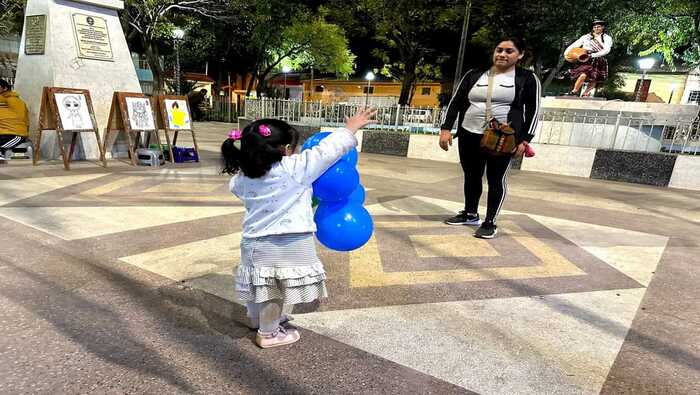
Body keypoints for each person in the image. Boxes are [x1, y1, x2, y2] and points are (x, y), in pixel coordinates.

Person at [221, 109, 375, 348]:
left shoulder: (243, 177)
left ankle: (257, 320)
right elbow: (326, 151)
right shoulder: (295, 169)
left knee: (259, 284)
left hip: (253, 243)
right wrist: (350, 128)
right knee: (275, 290)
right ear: (284, 150)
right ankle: (269, 334)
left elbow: (236, 186)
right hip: (287, 242)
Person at [438, 37, 541, 239]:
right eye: (499, 50)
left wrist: (525, 139)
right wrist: (446, 128)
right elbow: (456, 101)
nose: (502, 54)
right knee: (471, 175)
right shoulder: (475, 74)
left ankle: (490, 221)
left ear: (520, 55)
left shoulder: (527, 78)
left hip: (502, 138)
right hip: (469, 133)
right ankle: (470, 213)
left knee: (496, 179)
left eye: (509, 51)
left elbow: (534, 110)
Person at [565, 20, 613, 97]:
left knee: (594, 78)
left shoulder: (607, 38)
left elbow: (607, 50)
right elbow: (575, 45)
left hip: (598, 58)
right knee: (583, 74)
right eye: (595, 27)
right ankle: (574, 91)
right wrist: (567, 52)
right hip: (585, 58)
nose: (596, 28)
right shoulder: (586, 37)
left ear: (603, 27)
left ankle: (586, 93)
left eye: (598, 27)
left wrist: (593, 55)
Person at [0, 79, 30, 163]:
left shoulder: (15, 101)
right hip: (4, 131)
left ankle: (1, 152)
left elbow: (20, 119)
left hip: (14, 133)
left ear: (5, 88)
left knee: (6, 140)